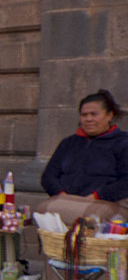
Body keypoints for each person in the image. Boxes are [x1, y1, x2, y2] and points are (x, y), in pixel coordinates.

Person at [38, 89, 128, 224]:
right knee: (42, 211)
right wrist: (62, 195)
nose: (89, 119)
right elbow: (48, 176)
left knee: (89, 219)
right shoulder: (69, 143)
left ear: (110, 115)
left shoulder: (123, 143)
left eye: (94, 114)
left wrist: (97, 195)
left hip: (107, 201)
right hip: (67, 199)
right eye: (84, 115)